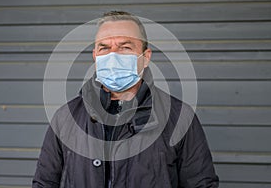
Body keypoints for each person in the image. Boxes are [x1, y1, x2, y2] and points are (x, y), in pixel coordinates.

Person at [33, 11, 219, 188]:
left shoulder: (179, 118)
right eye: (104, 47)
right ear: (95, 56)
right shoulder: (66, 118)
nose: (113, 55)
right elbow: (44, 183)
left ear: (145, 57)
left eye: (125, 47)